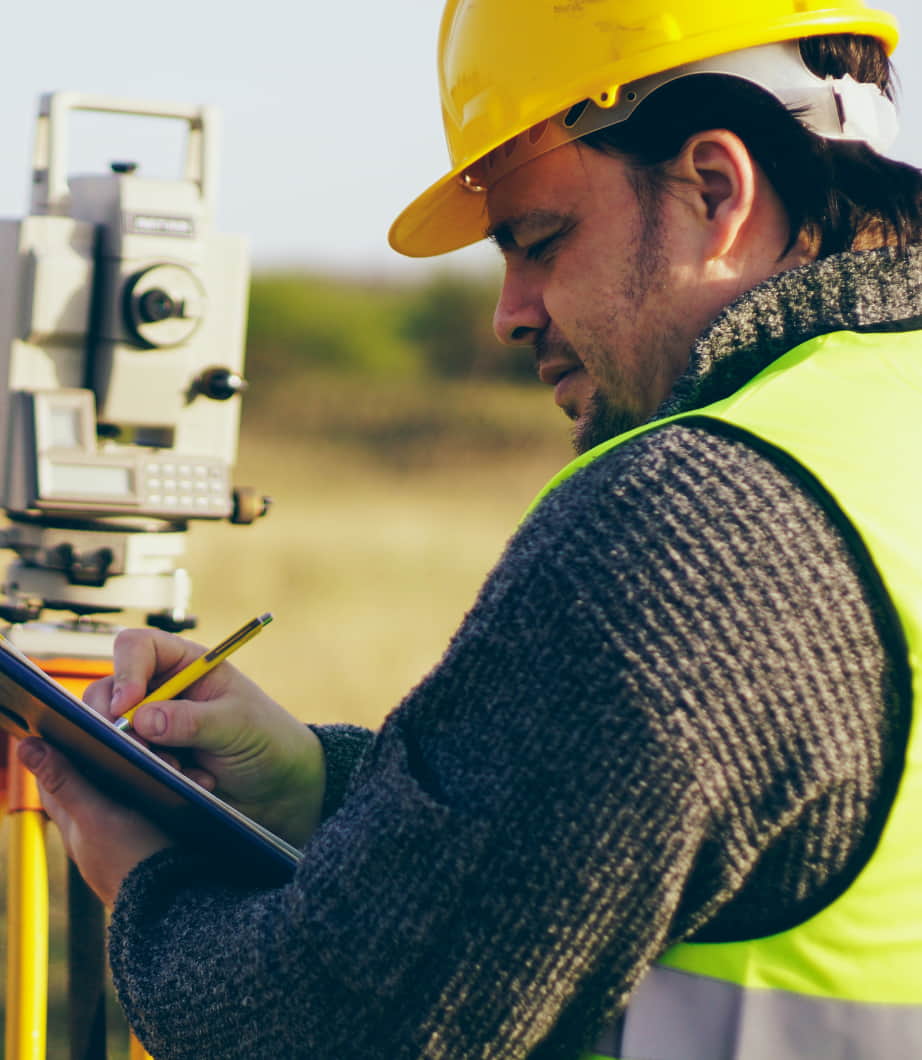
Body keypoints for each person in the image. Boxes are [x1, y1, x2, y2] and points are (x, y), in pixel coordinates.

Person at [18, 1, 922, 1056]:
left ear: (714, 190)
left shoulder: (694, 524)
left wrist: (149, 879)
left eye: (539, 241)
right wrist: (319, 787)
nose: (509, 313)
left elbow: (345, 1029)